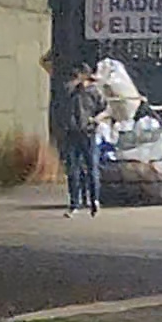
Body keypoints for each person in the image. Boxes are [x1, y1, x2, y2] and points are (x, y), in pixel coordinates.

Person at [56, 64, 107, 214]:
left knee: (92, 168)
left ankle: (94, 200)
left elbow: (104, 109)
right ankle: (74, 203)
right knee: (73, 170)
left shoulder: (94, 92)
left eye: (78, 75)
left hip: (88, 133)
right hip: (71, 133)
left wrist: (96, 119)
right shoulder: (70, 90)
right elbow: (62, 106)